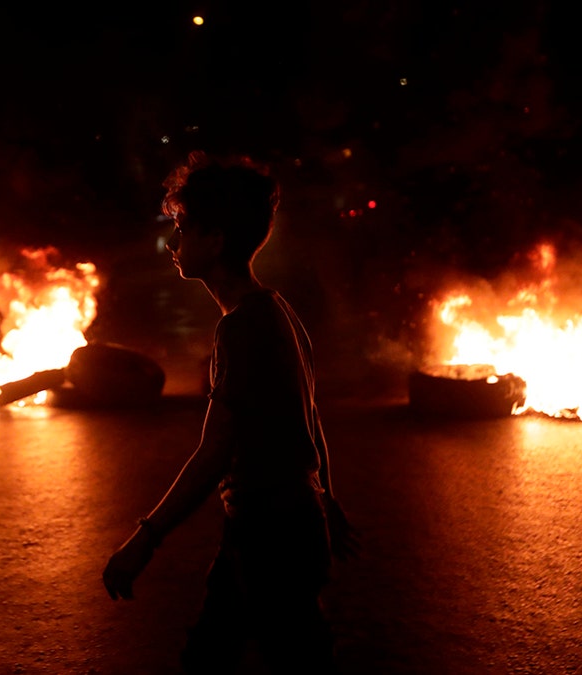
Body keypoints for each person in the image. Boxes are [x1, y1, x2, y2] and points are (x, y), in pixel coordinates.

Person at [102, 151, 358, 673]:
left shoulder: (242, 328)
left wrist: (144, 540)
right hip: (280, 528)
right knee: (227, 652)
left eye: (183, 228)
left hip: (270, 534)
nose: (174, 244)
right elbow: (313, 423)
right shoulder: (278, 309)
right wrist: (325, 500)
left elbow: (214, 452)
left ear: (215, 239)